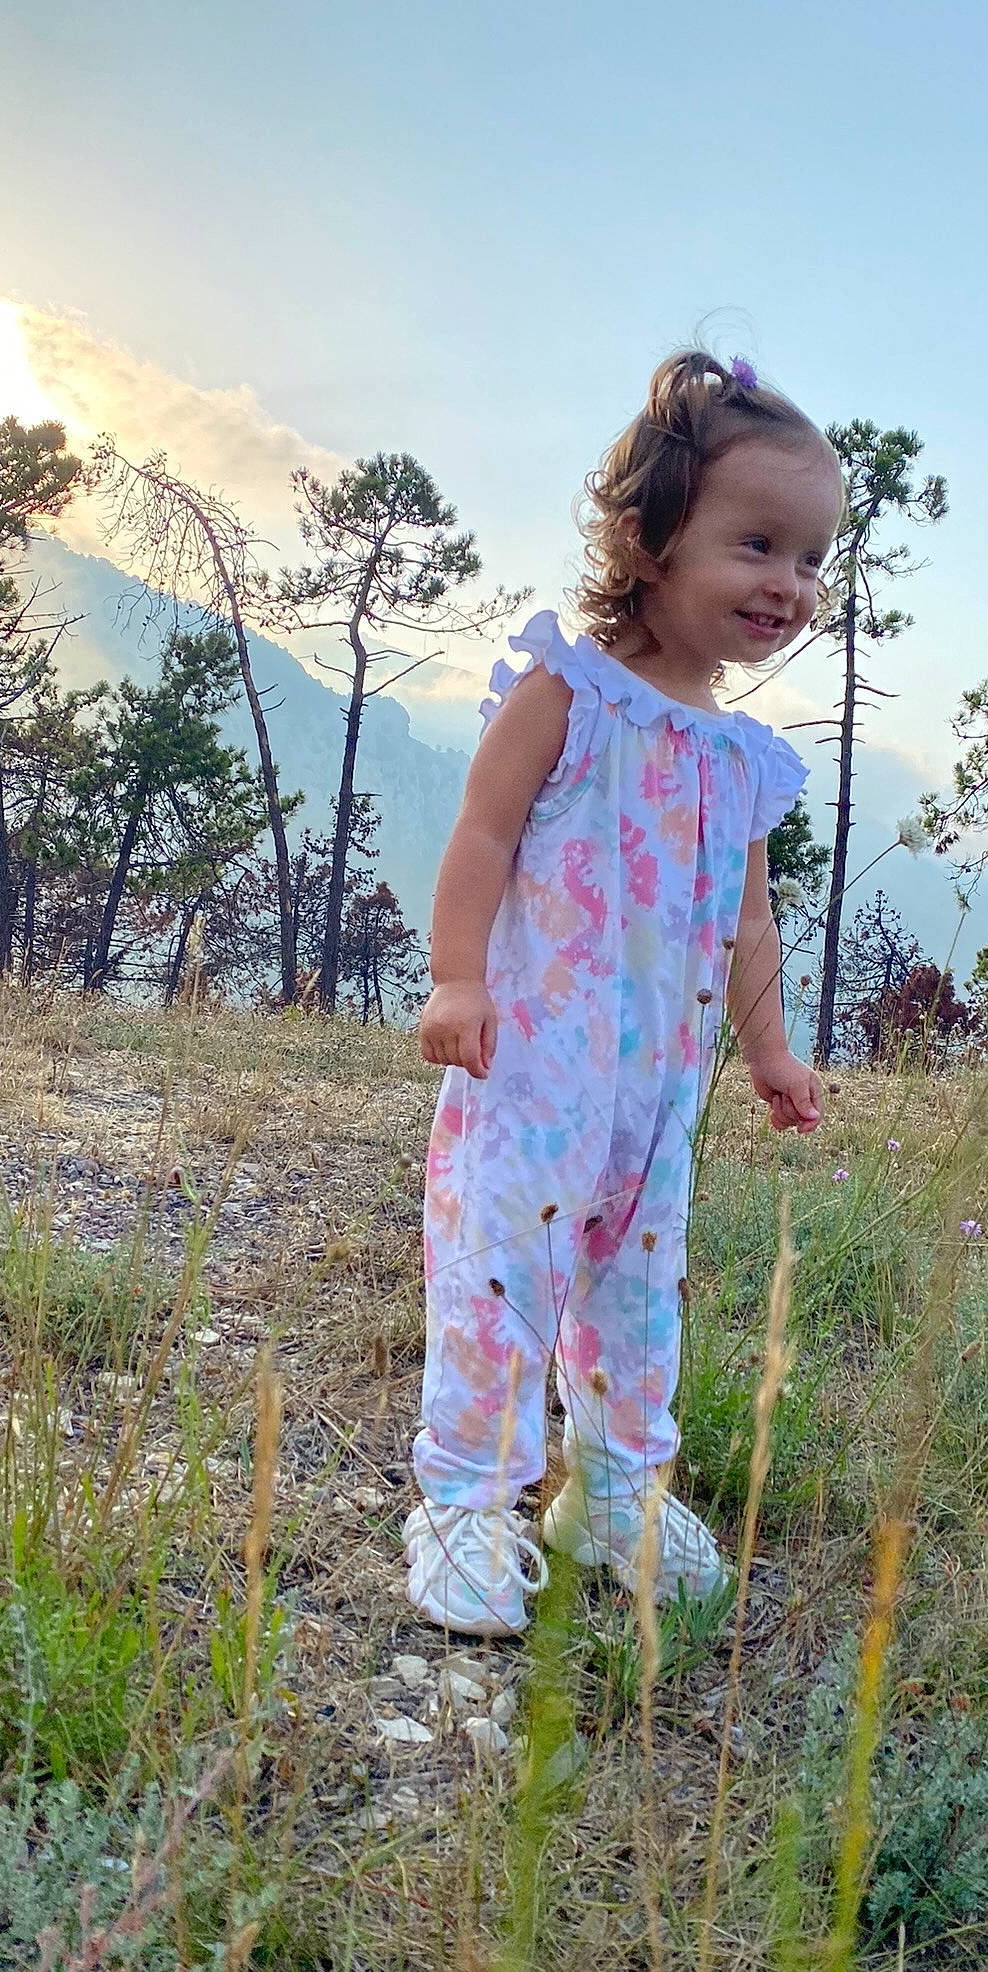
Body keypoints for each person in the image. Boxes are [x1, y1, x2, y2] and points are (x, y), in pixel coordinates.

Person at [405, 349, 839, 1635]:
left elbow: (747, 920)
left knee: (640, 1295)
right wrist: (455, 975)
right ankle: (464, 1502)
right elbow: (482, 834)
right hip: (533, 1070)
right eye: (758, 543)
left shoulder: (746, 756)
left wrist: (768, 1051)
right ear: (651, 538)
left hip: (656, 1096)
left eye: (812, 559)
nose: (789, 584)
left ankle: (613, 1490)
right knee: (502, 1276)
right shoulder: (569, 690)